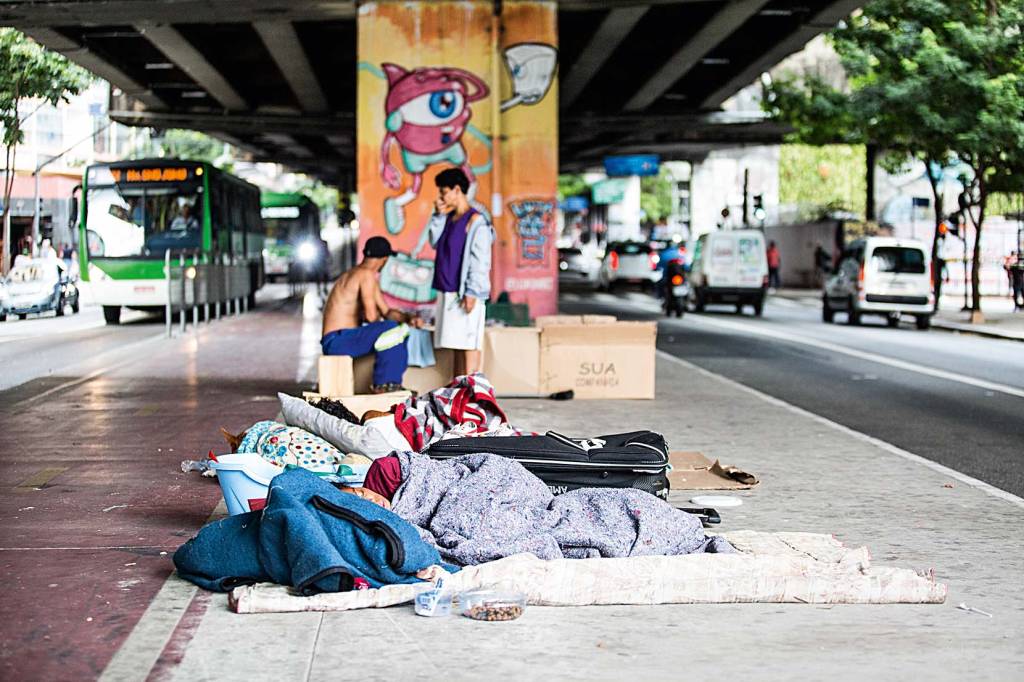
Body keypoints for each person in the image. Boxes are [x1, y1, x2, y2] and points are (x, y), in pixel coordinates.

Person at [321, 236, 423, 393]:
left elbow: (387, 312)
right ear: (384, 258)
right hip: (337, 341)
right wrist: (386, 327)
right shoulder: (366, 275)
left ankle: (389, 384)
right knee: (394, 330)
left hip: (337, 339)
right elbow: (371, 317)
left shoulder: (359, 274)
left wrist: (408, 318)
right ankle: (385, 385)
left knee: (397, 328)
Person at [420, 168, 494, 378]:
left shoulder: (476, 221)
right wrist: (437, 215)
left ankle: (471, 397)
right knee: (456, 344)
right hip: (447, 290)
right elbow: (434, 241)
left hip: (465, 292)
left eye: (444, 192)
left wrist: (472, 291)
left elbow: (480, 261)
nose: (441, 197)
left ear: (457, 190)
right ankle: (456, 394)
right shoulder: (448, 218)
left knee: (469, 344)